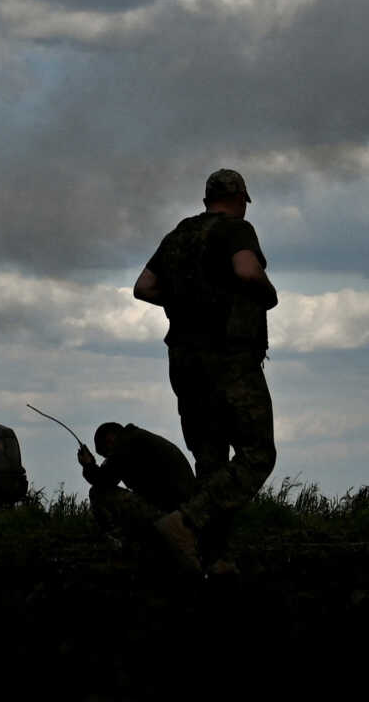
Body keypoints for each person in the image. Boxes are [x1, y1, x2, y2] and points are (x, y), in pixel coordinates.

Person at [134, 167, 278, 576]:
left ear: (206, 198)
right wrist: (267, 294)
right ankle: (186, 522)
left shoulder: (179, 235)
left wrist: (183, 303)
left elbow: (143, 287)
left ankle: (215, 559)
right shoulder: (235, 230)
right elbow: (248, 271)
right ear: (239, 199)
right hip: (229, 359)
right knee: (256, 454)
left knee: (211, 462)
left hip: (184, 361)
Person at [78, 420, 198, 548]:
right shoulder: (136, 439)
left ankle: (116, 542)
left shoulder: (126, 444)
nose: (108, 458)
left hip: (171, 516)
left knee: (98, 492)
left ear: (110, 439)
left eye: (106, 453)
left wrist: (88, 465)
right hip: (184, 511)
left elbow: (103, 480)